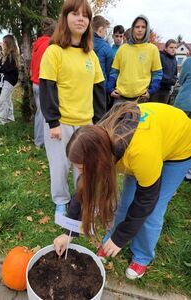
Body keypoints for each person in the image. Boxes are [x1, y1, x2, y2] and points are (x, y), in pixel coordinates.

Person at [54, 101, 191, 280]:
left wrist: (121, 238)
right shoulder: (99, 140)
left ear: (100, 160)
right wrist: (69, 232)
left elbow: (146, 200)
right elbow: (84, 188)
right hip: (151, 141)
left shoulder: (139, 154)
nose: (80, 173)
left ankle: (142, 256)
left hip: (179, 146)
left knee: (153, 209)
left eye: (82, 168)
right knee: (125, 203)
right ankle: (111, 241)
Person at [39, 0, 106, 215]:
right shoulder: (54, 52)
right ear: (65, 18)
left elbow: (98, 91)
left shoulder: (91, 56)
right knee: (60, 166)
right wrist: (52, 122)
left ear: (89, 22)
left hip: (85, 123)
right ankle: (60, 200)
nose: (80, 19)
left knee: (84, 168)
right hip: (60, 123)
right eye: (75, 14)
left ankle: (82, 201)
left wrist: (99, 123)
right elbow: (47, 87)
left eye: (85, 16)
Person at [106, 15, 162, 103]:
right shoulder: (122, 49)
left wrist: (151, 91)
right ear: (133, 29)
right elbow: (114, 71)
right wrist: (110, 88)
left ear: (146, 30)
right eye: (137, 27)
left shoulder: (153, 49)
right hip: (120, 98)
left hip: (141, 99)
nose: (140, 30)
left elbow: (157, 74)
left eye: (143, 27)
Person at [30, 18, 56, 148]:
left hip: (35, 82)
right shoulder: (50, 45)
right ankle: (40, 142)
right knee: (44, 113)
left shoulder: (37, 44)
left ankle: (39, 140)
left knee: (39, 112)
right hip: (43, 83)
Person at [174, 57, 191, 182]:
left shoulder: (188, 62)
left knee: (178, 136)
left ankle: (174, 162)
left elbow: (181, 79)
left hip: (184, 103)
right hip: (185, 103)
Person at [0, 34, 19, 125]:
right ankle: (10, 117)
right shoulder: (9, 54)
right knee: (8, 99)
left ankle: (2, 120)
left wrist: (1, 68)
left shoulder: (11, 55)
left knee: (3, 99)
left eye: (4, 42)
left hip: (10, 80)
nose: (2, 44)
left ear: (8, 43)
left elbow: (7, 68)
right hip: (9, 79)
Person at [150, 39, 177, 103]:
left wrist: (175, 80)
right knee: (153, 109)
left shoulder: (174, 60)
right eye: (171, 47)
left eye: (175, 48)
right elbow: (158, 73)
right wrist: (171, 81)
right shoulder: (160, 56)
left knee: (162, 110)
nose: (173, 49)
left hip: (167, 90)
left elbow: (175, 74)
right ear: (166, 48)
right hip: (157, 89)